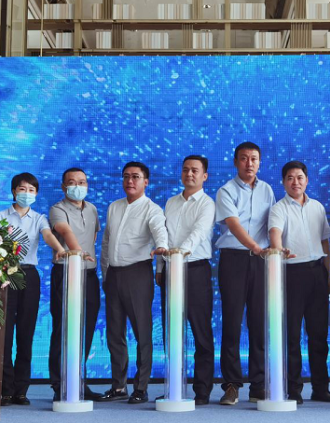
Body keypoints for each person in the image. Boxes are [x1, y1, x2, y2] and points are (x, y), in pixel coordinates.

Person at [0, 172, 67, 406]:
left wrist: (59, 249)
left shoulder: (39, 218)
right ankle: (5, 389)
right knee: (4, 334)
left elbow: (48, 236)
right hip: (4, 276)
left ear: (36, 194)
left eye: (32, 190)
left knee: (26, 333)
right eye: (22, 189)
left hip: (29, 275)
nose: (27, 193)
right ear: (13, 191)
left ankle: (21, 390)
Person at [100, 161, 168, 404]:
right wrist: (105, 273)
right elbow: (107, 242)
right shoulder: (114, 206)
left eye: (136, 177)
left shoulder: (152, 209)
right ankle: (119, 386)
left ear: (145, 182)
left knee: (142, 332)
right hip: (113, 274)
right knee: (114, 332)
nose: (130, 181)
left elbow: (159, 231)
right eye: (126, 176)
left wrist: (162, 248)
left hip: (138, 273)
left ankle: (141, 387)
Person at [268, 161, 330, 405]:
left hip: (317, 272)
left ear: (307, 180)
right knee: (292, 335)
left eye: (299, 177)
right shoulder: (278, 209)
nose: (295, 182)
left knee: (319, 335)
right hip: (292, 274)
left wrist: (328, 274)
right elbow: (274, 234)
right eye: (290, 178)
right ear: (283, 182)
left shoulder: (317, 207)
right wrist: (278, 250)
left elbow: (325, 241)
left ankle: (321, 388)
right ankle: (293, 389)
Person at [214, 141, 275, 406]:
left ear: (259, 162)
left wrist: (274, 249)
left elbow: (273, 224)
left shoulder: (267, 190)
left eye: (254, 159)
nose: (249, 163)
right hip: (234, 259)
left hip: (261, 261)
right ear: (236, 162)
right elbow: (233, 224)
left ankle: (258, 384)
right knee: (232, 322)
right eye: (244, 158)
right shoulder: (225, 190)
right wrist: (256, 248)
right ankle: (231, 385)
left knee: (259, 323)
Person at [157, 155, 216, 405]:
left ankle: (202, 389)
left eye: (195, 170)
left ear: (204, 176)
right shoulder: (171, 202)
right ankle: (174, 387)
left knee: (201, 331)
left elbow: (198, 233)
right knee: (172, 330)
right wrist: (161, 267)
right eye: (185, 170)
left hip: (195, 269)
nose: (189, 174)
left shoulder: (207, 204)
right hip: (170, 269)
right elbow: (163, 236)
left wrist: (180, 253)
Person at [48, 167, 101, 403]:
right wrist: (79, 253)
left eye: (82, 182)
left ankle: (78, 380)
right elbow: (65, 231)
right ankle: (60, 383)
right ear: (63, 186)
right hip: (66, 273)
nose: (77, 186)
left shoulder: (92, 209)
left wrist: (87, 258)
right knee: (64, 328)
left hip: (89, 275)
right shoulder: (57, 209)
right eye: (72, 182)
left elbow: (94, 236)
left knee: (86, 329)